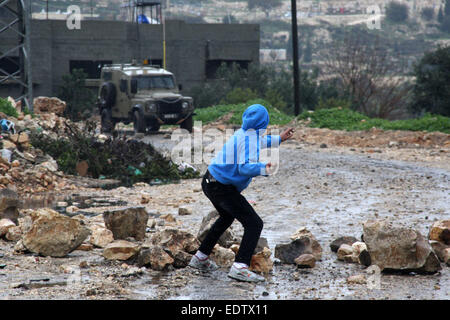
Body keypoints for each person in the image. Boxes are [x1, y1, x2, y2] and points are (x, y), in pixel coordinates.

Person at [188, 104, 294, 282]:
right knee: (254, 224)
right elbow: (244, 168)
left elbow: (261, 142)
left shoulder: (244, 132)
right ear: (264, 122)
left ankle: (200, 258)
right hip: (221, 188)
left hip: (209, 180)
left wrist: (280, 139)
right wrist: (263, 168)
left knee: (226, 217)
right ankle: (240, 267)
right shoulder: (250, 139)